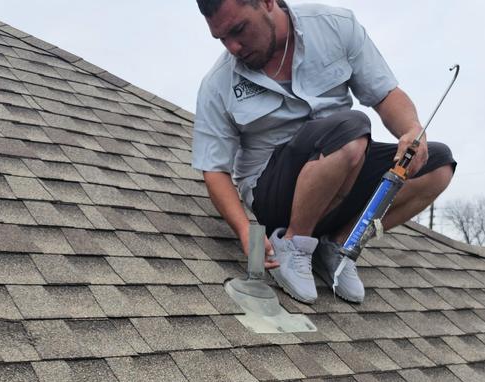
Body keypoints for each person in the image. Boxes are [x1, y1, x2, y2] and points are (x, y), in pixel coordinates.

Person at [192, 0, 456, 304]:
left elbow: (386, 94)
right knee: (351, 130)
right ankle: (292, 244)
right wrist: (245, 232)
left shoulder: (335, 26)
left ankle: (338, 246)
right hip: (275, 194)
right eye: (222, 38)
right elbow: (214, 170)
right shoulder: (218, 83)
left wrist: (411, 130)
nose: (233, 47)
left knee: (438, 164)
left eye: (238, 30)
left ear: (266, 2)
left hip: (343, 166)